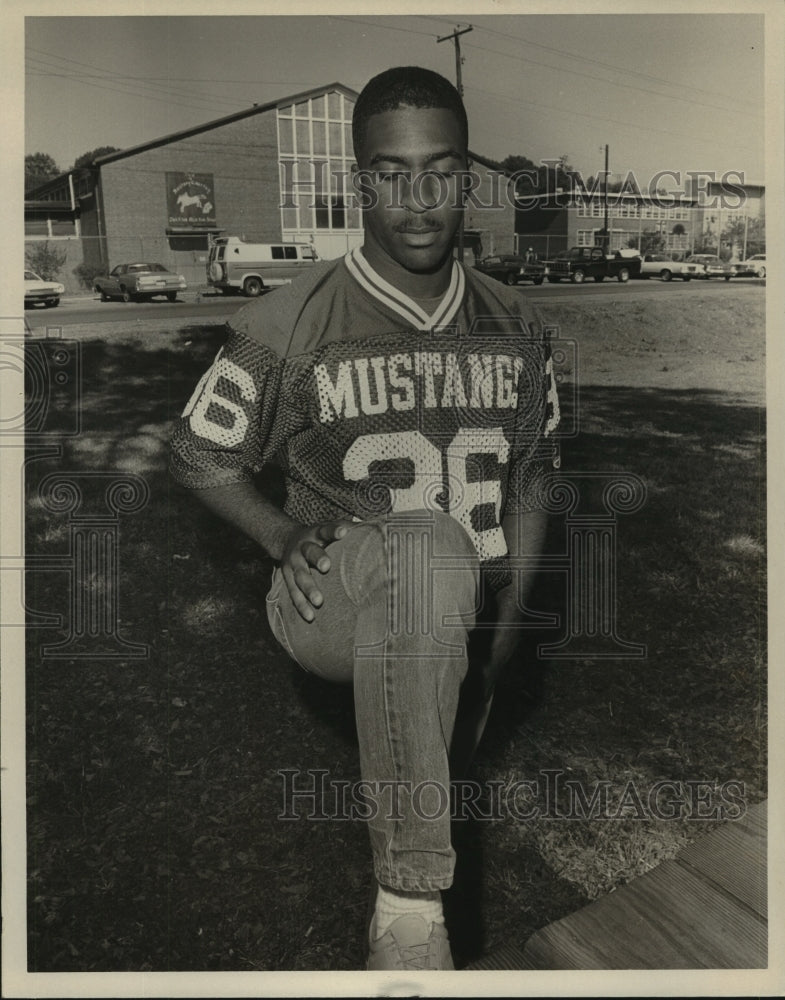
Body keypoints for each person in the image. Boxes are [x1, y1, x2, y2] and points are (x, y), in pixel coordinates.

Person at [170, 65, 559, 972]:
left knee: (440, 566)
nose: (418, 199)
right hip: (332, 599)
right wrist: (277, 535)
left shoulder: (516, 321)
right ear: (359, 184)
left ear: (467, 177)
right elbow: (198, 453)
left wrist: (515, 609)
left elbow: (535, 473)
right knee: (424, 543)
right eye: (391, 172)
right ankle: (409, 910)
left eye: (440, 168)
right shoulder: (289, 319)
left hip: (462, 604)